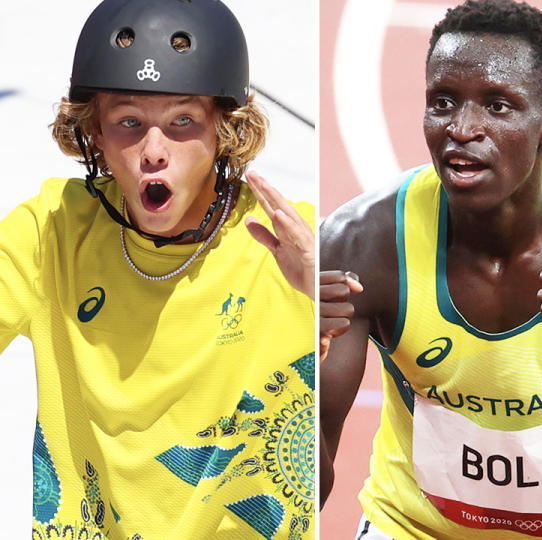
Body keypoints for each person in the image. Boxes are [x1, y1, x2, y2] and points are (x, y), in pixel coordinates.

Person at [317, 0, 542, 537]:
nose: (462, 129)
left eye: (498, 106)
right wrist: (287, 368)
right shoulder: (361, 244)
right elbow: (305, 487)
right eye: (442, 102)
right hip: (416, 527)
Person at [5, 0, 316, 537]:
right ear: (94, 134)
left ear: (225, 129)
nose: (154, 151)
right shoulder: (51, 233)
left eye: (182, 121)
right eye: (129, 122)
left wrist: (321, 292)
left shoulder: (294, 245)